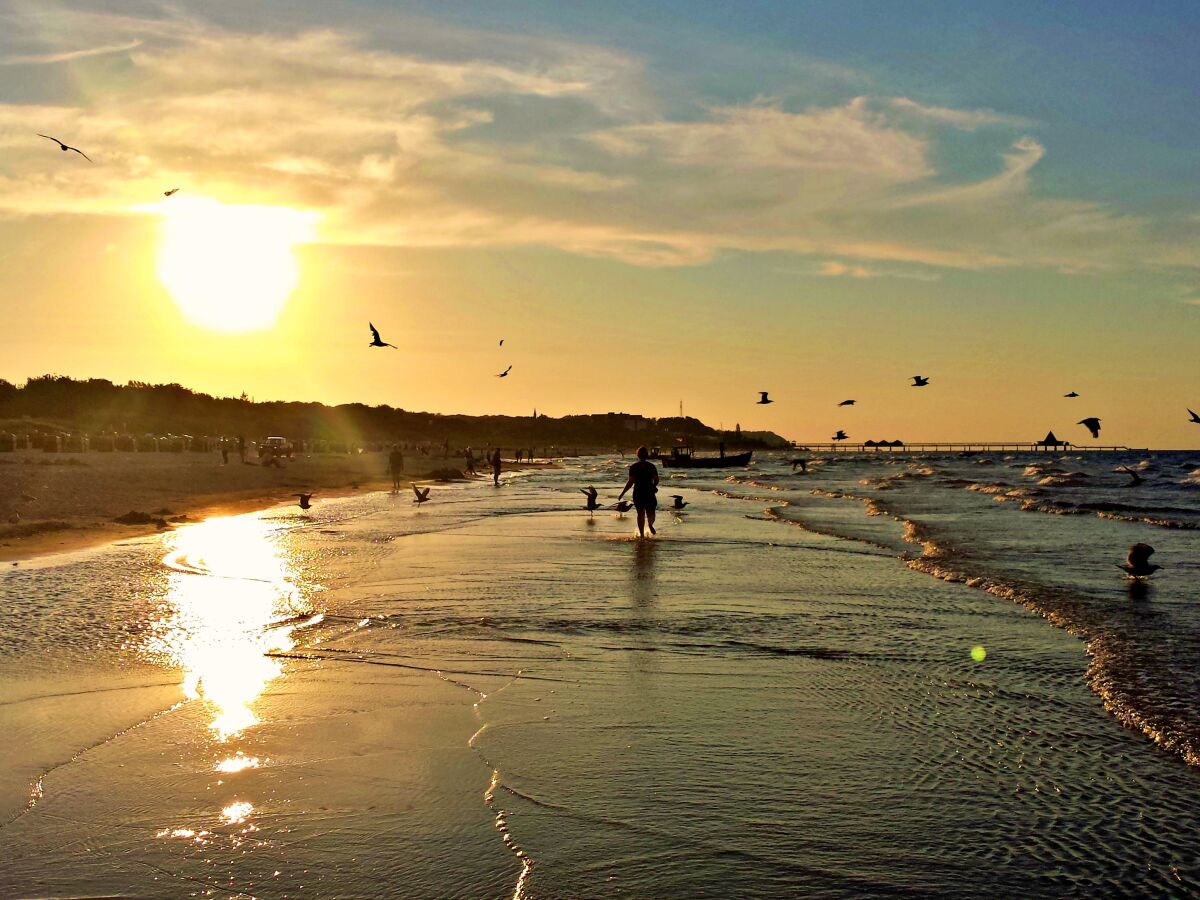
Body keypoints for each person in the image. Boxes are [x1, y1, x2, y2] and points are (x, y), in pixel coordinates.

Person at [618, 446, 659, 538]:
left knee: (640, 513)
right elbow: (656, 479)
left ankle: (641, 535)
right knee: (651, 512)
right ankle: (650, 524)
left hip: (638, 492)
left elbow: (630, 482)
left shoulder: (634, 467)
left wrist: (622, 493)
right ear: (647, 455)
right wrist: (654, 486)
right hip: (649, 492)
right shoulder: (651, 466)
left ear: (637, 455)